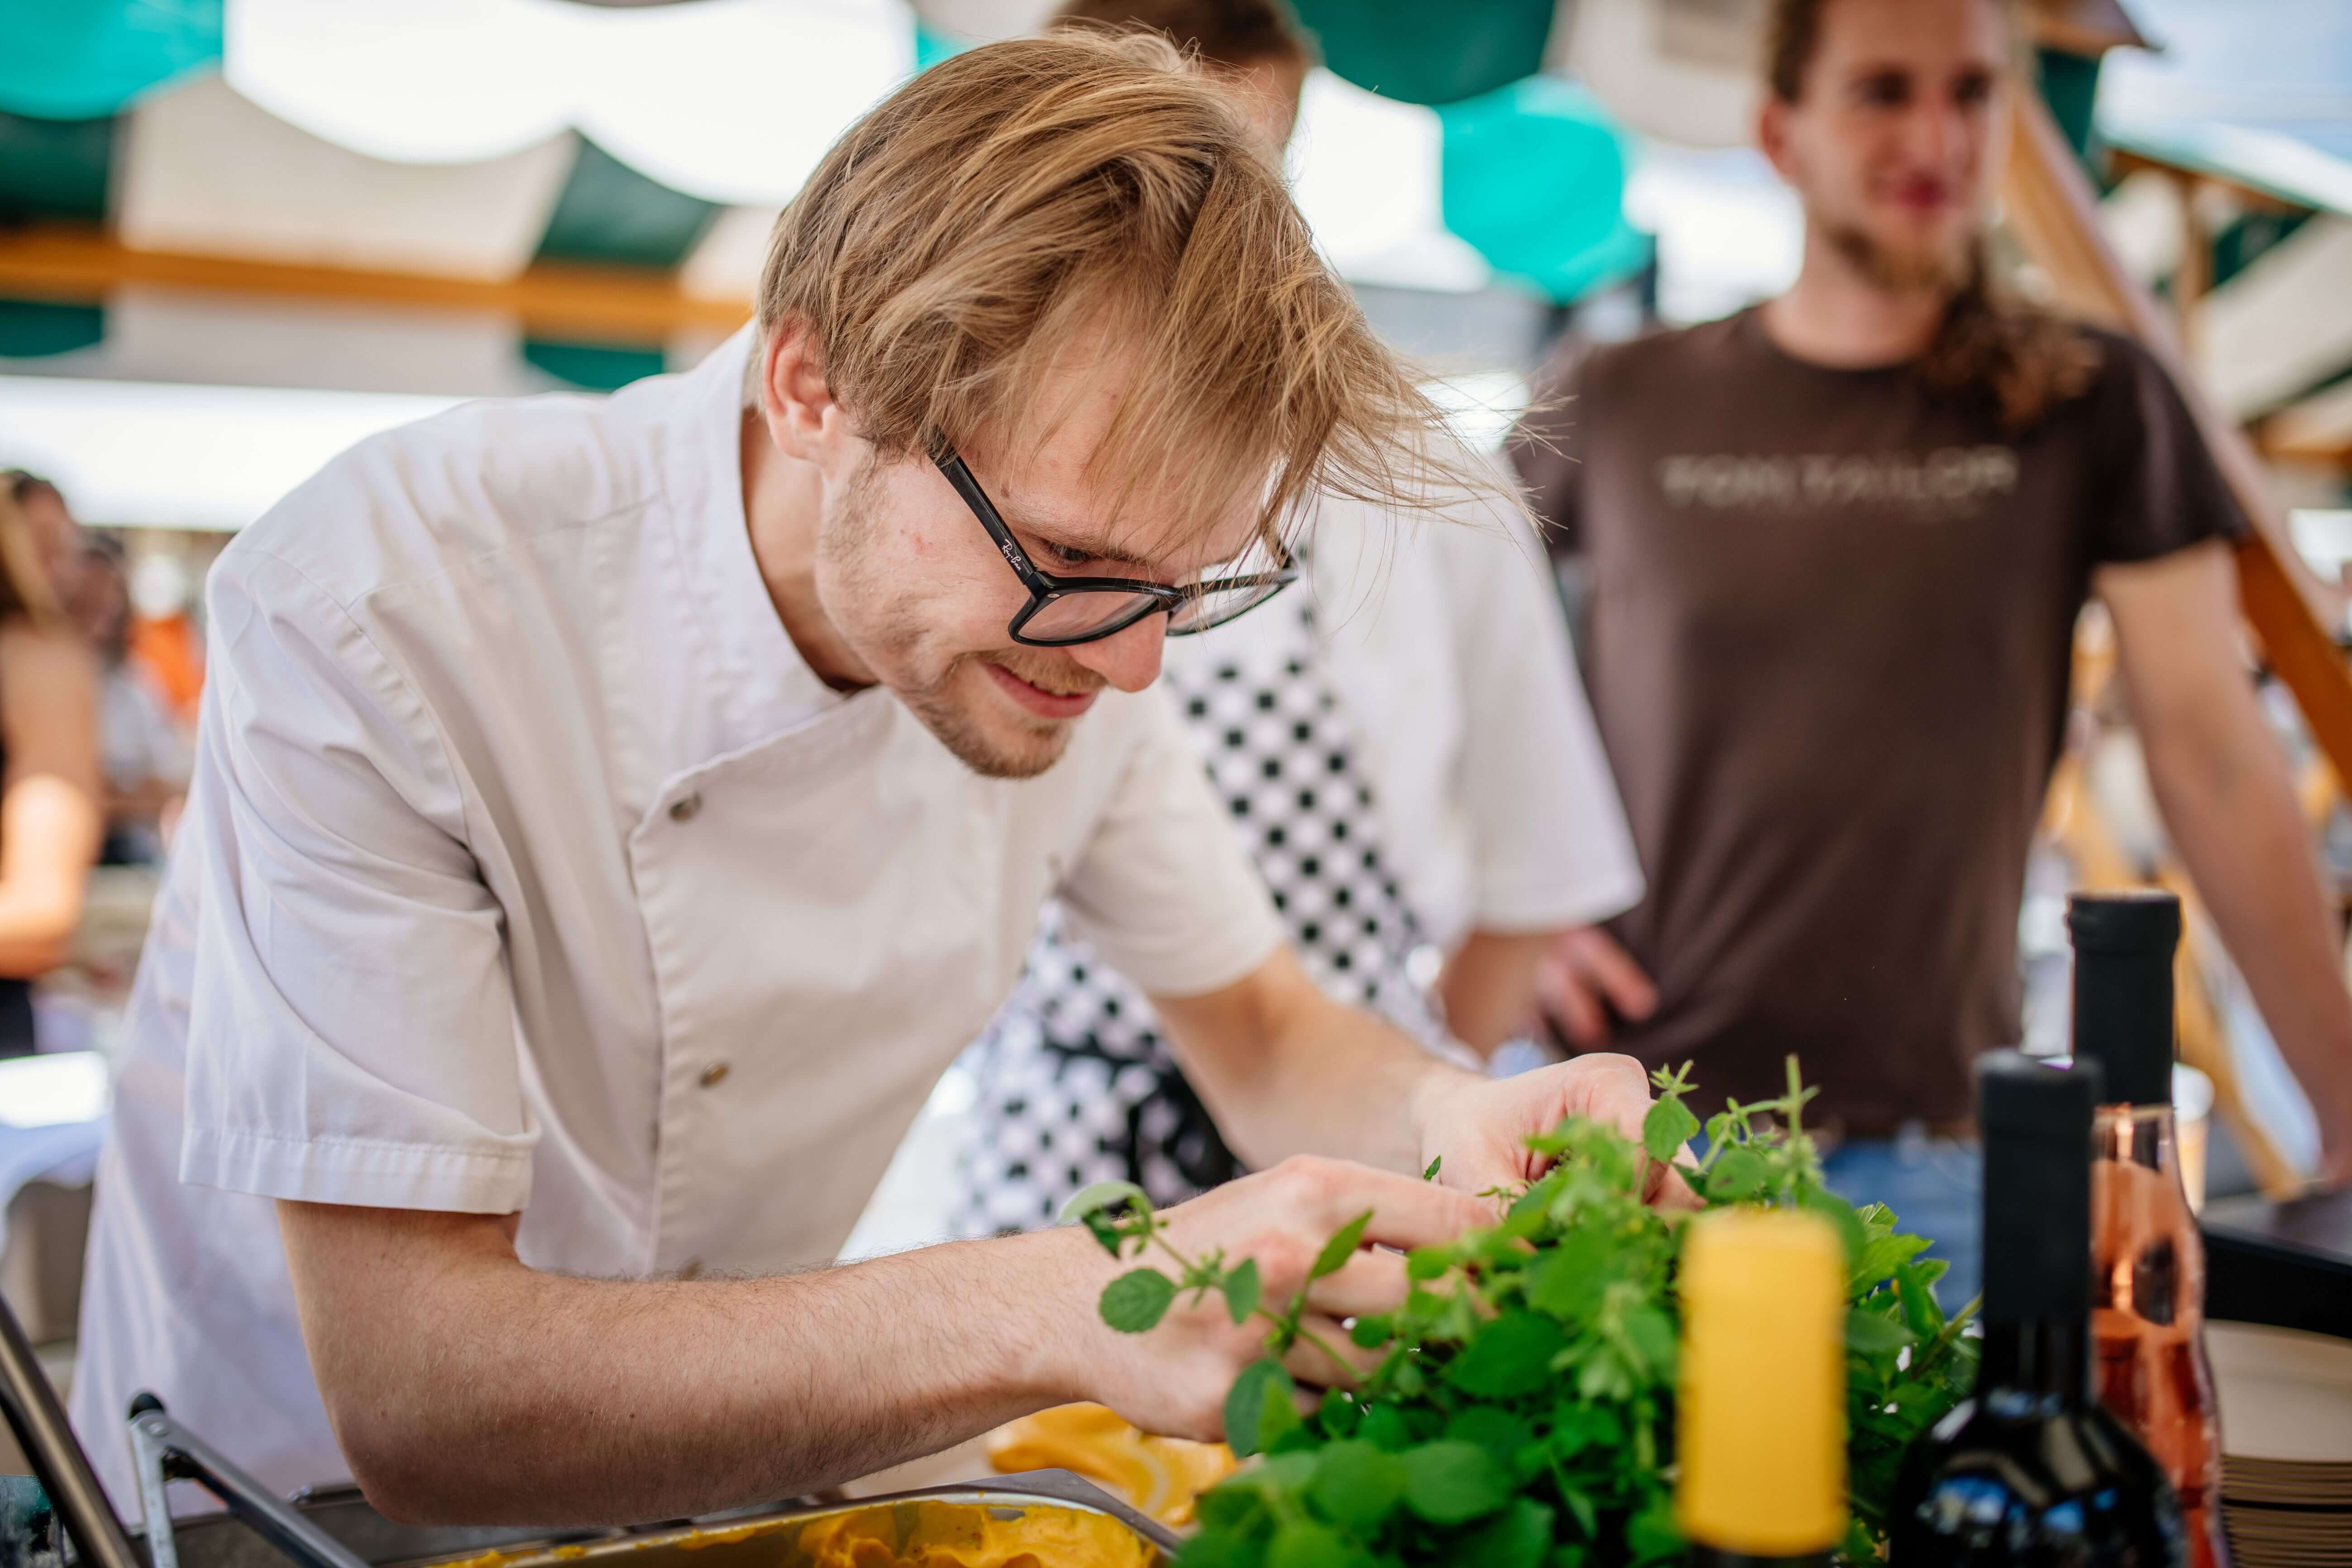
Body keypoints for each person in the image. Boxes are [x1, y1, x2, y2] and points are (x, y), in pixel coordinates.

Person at [73, 33, 1680, 1526]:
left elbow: (1257, 1025)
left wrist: (1450, 1110)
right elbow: (420, 1389)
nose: (1132, 667)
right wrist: (1069, 1299)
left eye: (1181, 588)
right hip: (279, 1523)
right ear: (810, 385)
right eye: (1068, 559)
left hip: (721, 1504)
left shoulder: (1067, 645)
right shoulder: (385, 599)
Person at [1510, 0, 2352, 1306]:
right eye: (1883, 91)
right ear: (1779, 132)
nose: (1936, 134)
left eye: (1972, 92)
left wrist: (2341, 1104)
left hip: (1944, 1154)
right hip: (1631, 1133)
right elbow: (1442, 659)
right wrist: (1512, 897)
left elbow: (2216, 753)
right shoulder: (1619, 395)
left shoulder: (2086, 397)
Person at [955, 0, 1643, 1235]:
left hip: (1345, 1128)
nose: (1190, 244)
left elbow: (1526, 868)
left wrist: (1423, 1100)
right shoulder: (952, 492)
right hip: (1054, 1161)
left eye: (1236, 186)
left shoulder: (1420, 476)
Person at [0, 473, 102, 1059]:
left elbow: (44, 915)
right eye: (41, 540)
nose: (59, 565)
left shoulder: (37, 662)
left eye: (63, 543)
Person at [68, 537, 192, 864]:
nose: (101, 604)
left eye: (111, 592)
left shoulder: (136, 684)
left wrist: (106, 798)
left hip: (127, 855)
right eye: (88, 591)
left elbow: (173, 783)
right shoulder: (36, 678)